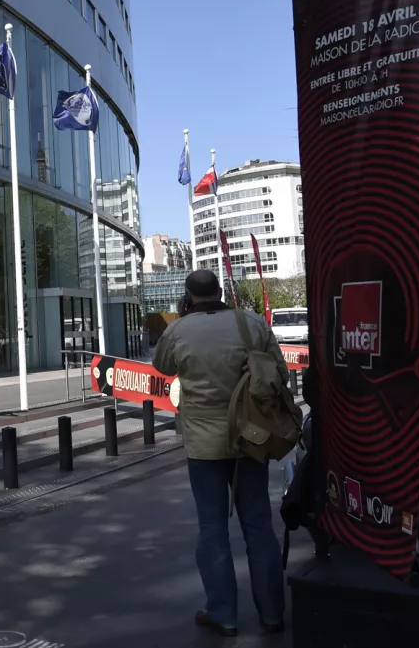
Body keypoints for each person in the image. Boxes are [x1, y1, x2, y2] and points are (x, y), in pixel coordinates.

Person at [152, 269, 287, 637]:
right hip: (251, 439)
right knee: (259, 527)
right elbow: (280, 374)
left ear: (188, 296)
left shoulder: (178, 330)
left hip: (204, 447)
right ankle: (272, 613)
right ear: (220, 291)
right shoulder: (251, 322)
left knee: (212, 530)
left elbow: (161, 366)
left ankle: (223, 614)